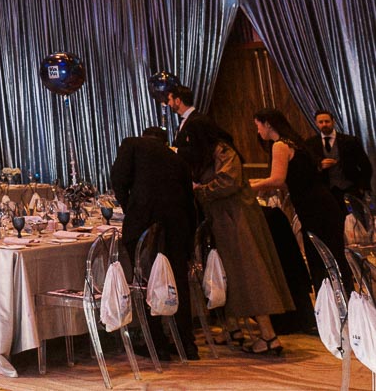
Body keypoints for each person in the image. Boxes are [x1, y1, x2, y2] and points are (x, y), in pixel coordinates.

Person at [191, 120, 293, 355]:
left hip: (237, 221)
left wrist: (199, 191)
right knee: (232, 276)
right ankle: (233, 329)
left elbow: (229, 181)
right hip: (227, 221)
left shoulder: (223, 150)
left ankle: (269, 336)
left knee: (250, 274)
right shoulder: (215, 151)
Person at [110, 126, 199, 360]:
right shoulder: (176, 158)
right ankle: (186, 343)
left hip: (145, 222)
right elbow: (190, 200)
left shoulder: (131, 144)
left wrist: (130, 209)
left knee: (145, 278)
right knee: (177, 279)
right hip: (178, 223)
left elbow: (118, 180)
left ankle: (156, 342)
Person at [251, 108, 351, 300]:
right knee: (334, 255)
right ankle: (345, 301)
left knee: (319, 257)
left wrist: (252, 185)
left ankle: (330, 307)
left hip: (313, 206)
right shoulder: (294, 142)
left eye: (258, 126)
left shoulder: (279, 145)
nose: (258, 131)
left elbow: (278, 179)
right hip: (321, 202)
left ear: (268, 124)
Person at [304, 108, 372, 211]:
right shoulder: (310, 144)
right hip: (326, 193)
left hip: (350, 189)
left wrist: (362, 188)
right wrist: (319, 166)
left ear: (333, 121)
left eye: (327, 121)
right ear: (316, 124)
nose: (324, 124)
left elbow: (366, 166)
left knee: (357, 223)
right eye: (321, 122)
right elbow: (306, 168)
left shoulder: (350, 141)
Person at [166, 85, 212, 177]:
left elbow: (200, 152)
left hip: (198, 179)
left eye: (169, 100)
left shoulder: (197, 121)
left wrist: (175, 150)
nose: (169, 104)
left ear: (178, 101)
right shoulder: (186, 120)